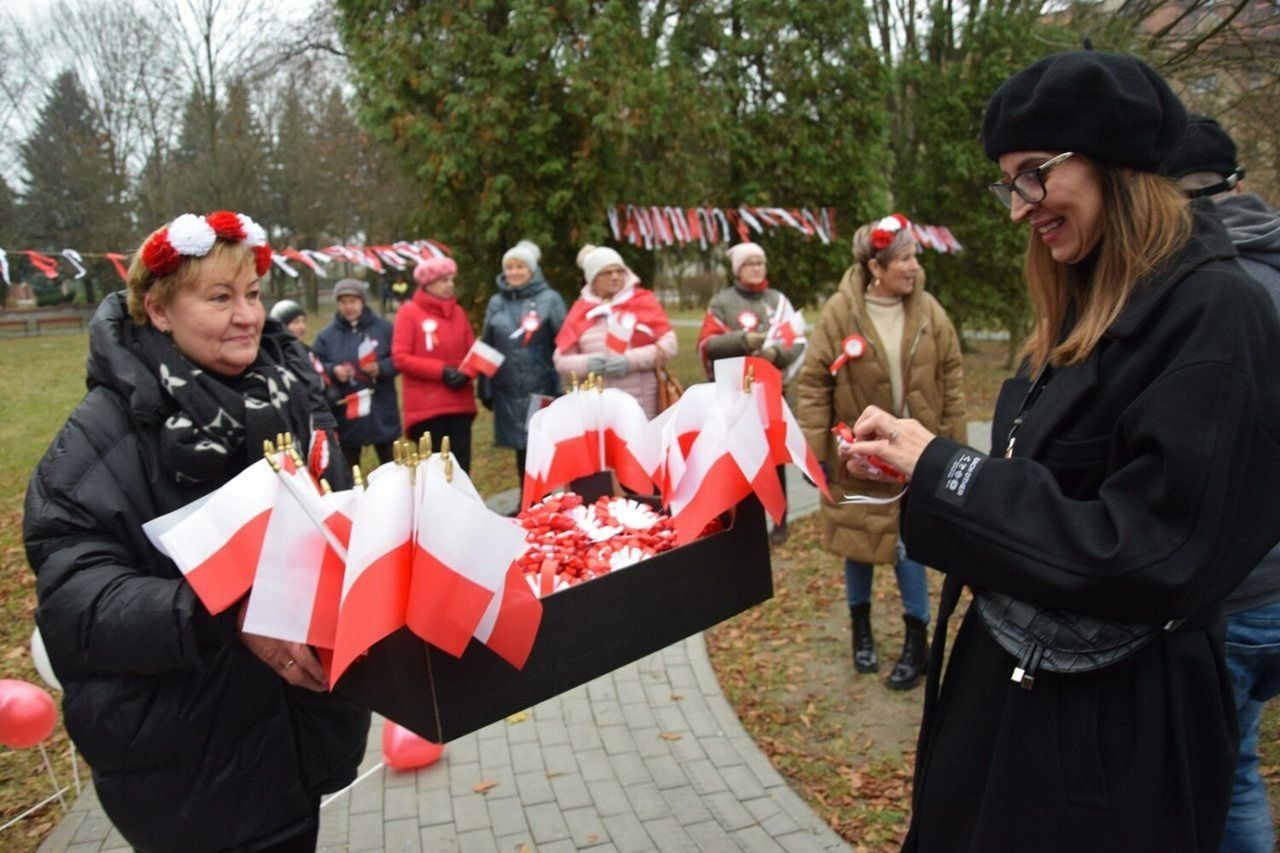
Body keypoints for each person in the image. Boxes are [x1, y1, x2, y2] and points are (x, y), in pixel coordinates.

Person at [845, 52, 1280, 850]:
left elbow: (1149, 552)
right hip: (1023, 702)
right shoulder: (1084, 307)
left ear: (1113, 159)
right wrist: (921, 470)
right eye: (1008, 184)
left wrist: (948, 470)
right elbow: (1043, 489)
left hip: (1105, 743)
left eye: (1033, 175)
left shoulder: (1217, 316)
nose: (1019, 209)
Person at [22, 211, 369, 852]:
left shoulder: (291, 398)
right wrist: (219, 612)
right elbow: (78, 600)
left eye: (253, 294)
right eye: (219, 298)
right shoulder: (99, 439)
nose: (247, 316)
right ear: (158, 310)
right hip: (190, 764)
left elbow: (336, 519)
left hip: (298, 734)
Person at [1162, 115, 1280, 853]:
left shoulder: (1210, 293)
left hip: (1232, 589)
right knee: (1240, 763)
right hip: (1274, 588)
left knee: (1221, 777)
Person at [796, 220, 965, 690]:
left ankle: (917, 640)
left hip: (915, 455)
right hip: (860, 456)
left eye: (915, 257)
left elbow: (951, 377)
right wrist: (814, 451)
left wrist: (953, 447)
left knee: (910, 545)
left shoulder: (929, 310)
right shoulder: (839, 312)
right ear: (875, 266)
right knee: (858, 543)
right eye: (905, 258)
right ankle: (862, 630)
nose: (914, 266)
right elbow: (813, 383)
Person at [700, 242, 808, 544]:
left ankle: (780, 519)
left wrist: (775, 353)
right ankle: (745, 521)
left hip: (771, 393)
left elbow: (797, 341)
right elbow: (708, 344)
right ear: (738, 269)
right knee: (739, 459)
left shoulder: (777, 300)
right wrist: (743, 340)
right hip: (737, 396)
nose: (757, 268)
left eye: (760, 262)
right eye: (750, 263)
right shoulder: (722, 302)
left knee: (774, 460)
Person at [478, 240, 566, 486]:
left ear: (532, 270)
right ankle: (526, 497)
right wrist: (485, 387)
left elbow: (563, 343)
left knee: (542, 446)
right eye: (509, 267)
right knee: (520, 447)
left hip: (542, 386)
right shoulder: (496, 303)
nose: (514, 272)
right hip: (508, 388)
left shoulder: (550, 299)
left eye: (520, 267)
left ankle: (545, 497)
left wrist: (562, 386)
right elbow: (487, 345)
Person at [553, 245, 676, 418]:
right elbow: (561, 360)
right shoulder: (581, 311)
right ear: (593, 278)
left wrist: (630, 361)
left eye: (619, 271)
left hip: (642, 403)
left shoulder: (642, 301)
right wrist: (587, 364)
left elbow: (669, 346)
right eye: (607, 273)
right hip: (597, 407)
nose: (615, 277)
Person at [392, 255, 477, 471]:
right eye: (443, 280)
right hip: (426, 408)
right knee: (434, 474)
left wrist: (468, 373)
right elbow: (400, 357)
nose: (450, 285)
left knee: (460, 471)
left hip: (459, 405)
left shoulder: (458, 312)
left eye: (451, 280)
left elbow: (472, 352)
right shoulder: (409, 313)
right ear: (427, 284)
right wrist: (441, 371)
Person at [312, 278, 400, 470]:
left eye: (353, 301)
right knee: (350, 470)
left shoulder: (384, 329)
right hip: (347, 411)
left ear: (362, 302)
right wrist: (333, 370)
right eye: (343, 302)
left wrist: (381, 367)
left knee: (391, 468)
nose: (348, 307)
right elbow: (315, 364)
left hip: (381, 407)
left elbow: (399, 358)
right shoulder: (326, 336)